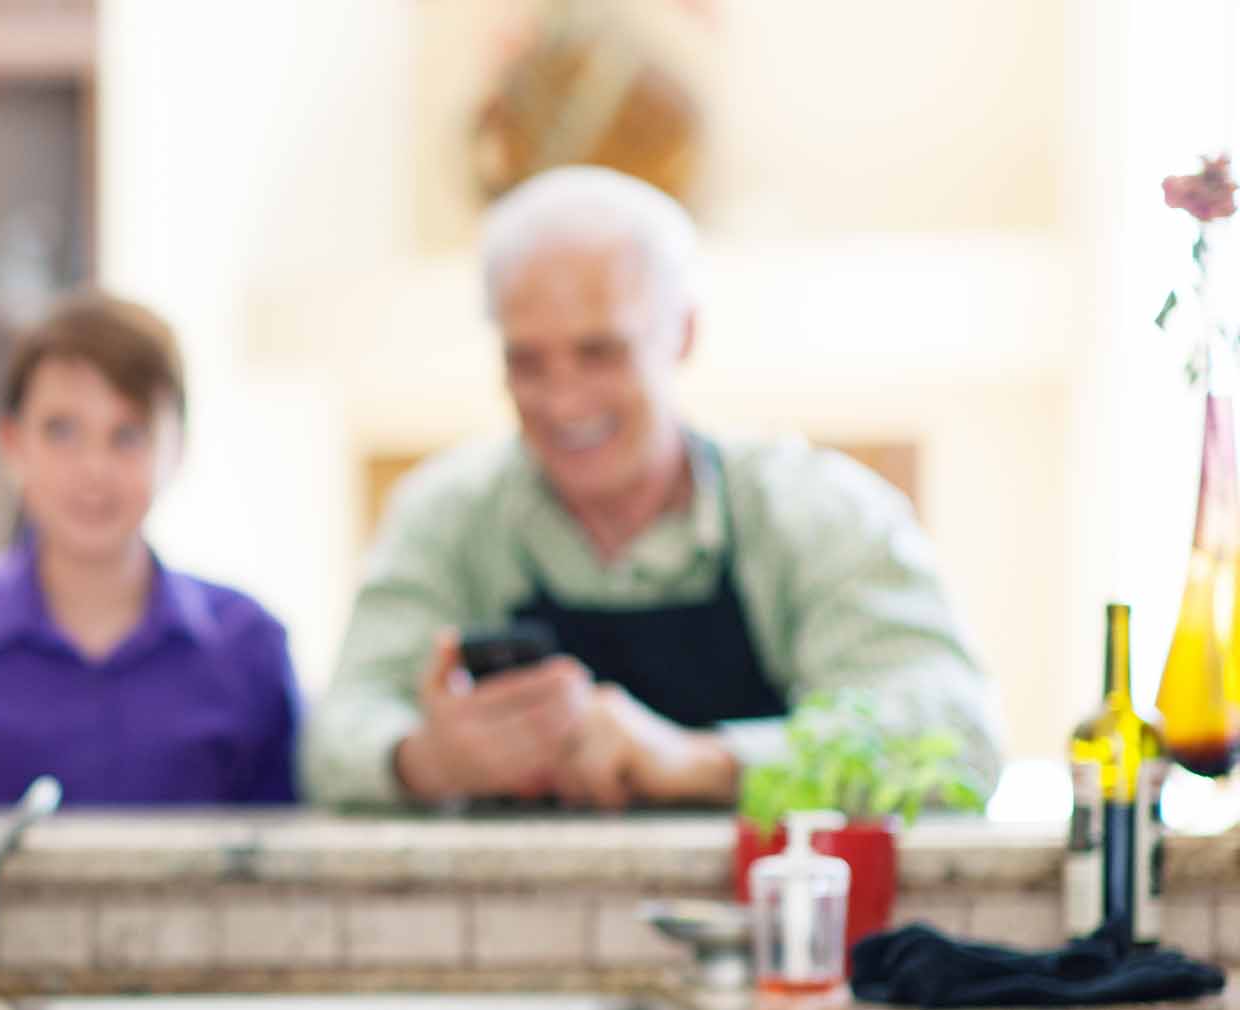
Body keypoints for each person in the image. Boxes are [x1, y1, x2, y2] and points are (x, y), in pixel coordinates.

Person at [300, 166, 1002, 812]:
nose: (564, 400)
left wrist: (707, 759)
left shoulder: (819, 511)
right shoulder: (445, 518)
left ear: (683, 333)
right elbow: (335, 737)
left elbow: (955, 735)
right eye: (527, 362)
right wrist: (425, 760)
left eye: (600, 353)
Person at [0, 293, 300, 807]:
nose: (93, 468)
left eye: (127, 435)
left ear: (178, 449)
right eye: (62, 431)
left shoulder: (251, 646)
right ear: (12, 443)